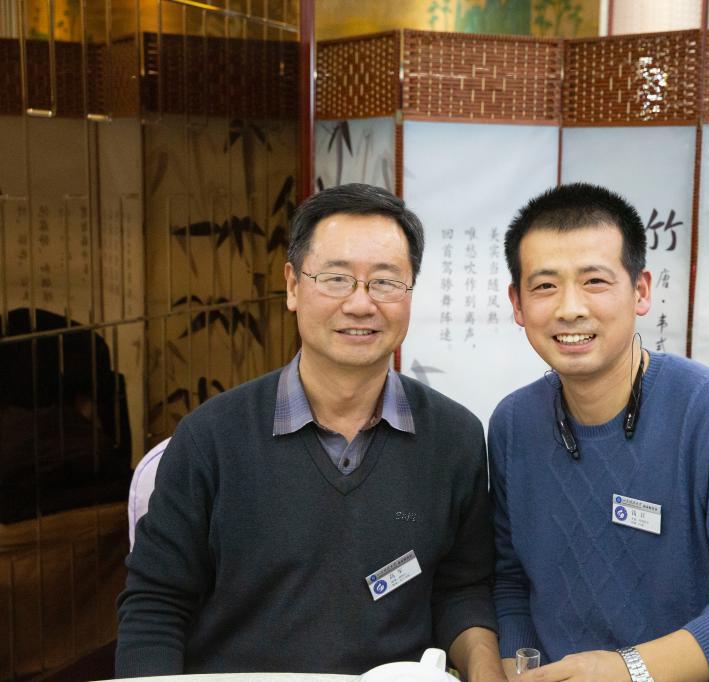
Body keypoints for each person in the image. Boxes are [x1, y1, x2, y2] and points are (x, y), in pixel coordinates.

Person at [116, 184, 503, 679]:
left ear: (410, 292)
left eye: (386, 282)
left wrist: (486, 670)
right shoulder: (210, 439)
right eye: (336, 278)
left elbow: (462, 590)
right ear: (293, 286)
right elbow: (155, 606)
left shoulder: (455, 439)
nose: (360, 304)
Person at [490, 183, 709, 681]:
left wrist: (631, 671)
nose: (570, 308)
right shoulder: (513, 424)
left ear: (642, 290)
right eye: (544, 286)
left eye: (595, 281)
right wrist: (520, 670)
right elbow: (510, 580)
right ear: (517, 304)